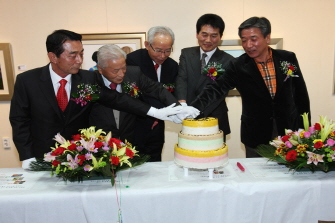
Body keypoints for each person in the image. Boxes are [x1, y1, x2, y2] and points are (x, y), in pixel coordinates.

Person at [9, 29, 198, 169]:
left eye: (81, 53)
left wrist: (158, 112)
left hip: (78, 156)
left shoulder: (87, 79)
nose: (79, 60)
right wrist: (27, 156)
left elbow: (117, 99)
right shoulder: (27, 81)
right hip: (41, 155)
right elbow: (19, 120)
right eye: (72, 55)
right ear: (53, 56)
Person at [191, 17, 311, 157]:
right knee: (257, 176)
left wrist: (306, 128)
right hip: (256, 134)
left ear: (267, 38)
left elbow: (301, 94)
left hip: (289, 131)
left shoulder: (287, 58)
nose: (248, 45)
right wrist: (192, 109)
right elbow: (216, 89)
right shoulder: (238, 66)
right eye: (243, 40)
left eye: (253, 39)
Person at [89, 44, 178, 146]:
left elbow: (157, 89)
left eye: (123, 68)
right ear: (100, 69)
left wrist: (178, 107)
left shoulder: (134, 73)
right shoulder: (90, 82)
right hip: (98, 145)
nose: (121, 74)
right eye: (115, 71)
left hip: (131, 142)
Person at [175, 13, 233, 141]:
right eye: (204, 34)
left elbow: (219, 92)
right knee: (190, 154)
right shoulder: (187, 53)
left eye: (213, 36)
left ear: (220, 37)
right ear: (197, 34)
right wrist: (183, 104)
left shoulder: (228, 60)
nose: (208, 40)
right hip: (188, 113)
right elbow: (182, 79)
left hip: (215, 115)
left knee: (214, 156)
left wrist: (196, 109)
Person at [126, 26, 179, 161]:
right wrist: (154, 113)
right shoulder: (132, 61)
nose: (162, 56)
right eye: (159, 50)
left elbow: (170, 93)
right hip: (135, 123)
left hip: (158, 128)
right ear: (147, 45)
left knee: (155, 163)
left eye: (167, 51)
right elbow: (132, 94)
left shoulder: (172, 66)